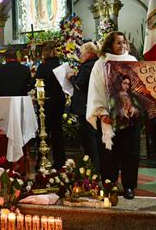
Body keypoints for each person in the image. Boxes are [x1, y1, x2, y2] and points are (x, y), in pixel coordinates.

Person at [86, 31, 141, 200]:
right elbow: (95, 89)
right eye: (118, 43)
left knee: (130, 153)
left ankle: (129, 186)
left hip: (130, 117)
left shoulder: (132, 62)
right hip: (109, 118)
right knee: (109, 154)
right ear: (110, 45)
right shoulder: (101, 64)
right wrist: (102, 113)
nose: (122, 46)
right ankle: (110, 184)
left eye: (124, 42)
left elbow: (139, 88)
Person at [67, 41, 101, 172]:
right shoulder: (96, 64)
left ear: (89, 53)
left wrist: (71, 77)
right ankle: (94, 164)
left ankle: (92, 166)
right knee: (93, 136)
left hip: (86, 106)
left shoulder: (87, 66)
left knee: (89, 137)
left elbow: (80, 84)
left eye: (82, 53)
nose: (80, 55)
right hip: (93, 105)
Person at [34, 44, 66, 169]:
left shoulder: (43, 67)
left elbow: (34, 82)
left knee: (44, 130)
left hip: (45, 102)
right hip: (59, 101)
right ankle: (60, 161)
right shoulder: (61, 66)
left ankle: (42, 160)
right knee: (57, 131)